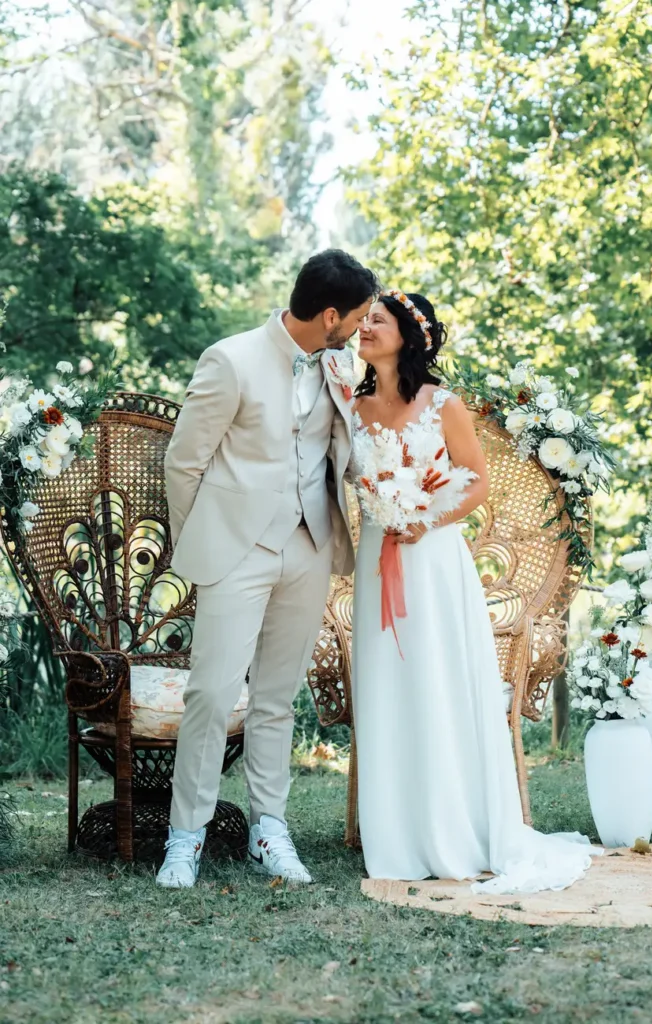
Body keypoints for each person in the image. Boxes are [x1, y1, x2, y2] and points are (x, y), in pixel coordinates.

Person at [350, 289, 601, 892]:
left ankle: (455, 826)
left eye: (376, 321)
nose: (365, 329)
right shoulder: (350, 407)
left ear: (410, 338)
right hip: (376, 557)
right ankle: (397, 832)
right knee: (386, 683)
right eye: (363, 320)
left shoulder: (444, 405)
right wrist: (385, 508)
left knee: (437, 679)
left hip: (433, 559)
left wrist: (425, 518)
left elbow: (477, 484)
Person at [156, 250, 378, 888]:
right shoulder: (231, 359)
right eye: (357, 318)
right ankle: (185, 837)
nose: (362, 330)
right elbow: (184, 463)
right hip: (236, 552)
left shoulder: (339, 364)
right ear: (329, 314)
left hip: (310, 547)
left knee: (277, 699)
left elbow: (342, 450)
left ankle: (268, 829)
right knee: (211, 694)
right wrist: (202, 544)